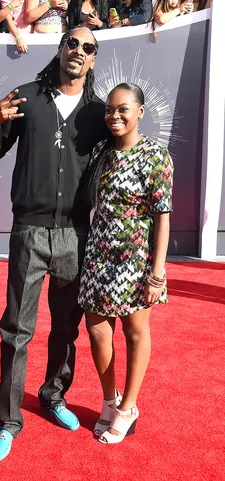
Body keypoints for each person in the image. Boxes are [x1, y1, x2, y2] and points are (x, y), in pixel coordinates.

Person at [0, 26, 109, 461]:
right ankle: (8, 420)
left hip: (77, 233)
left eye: (87, 48)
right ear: (59, 48)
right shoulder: (27, 95)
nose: (78, 51)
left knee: (66, 329)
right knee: (16, 330)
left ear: (93, 60)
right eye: (72, 43)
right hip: (28, 232)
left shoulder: (97, 114)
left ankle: (54, 395)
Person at [78, 83, 173, 444]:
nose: (114, 116)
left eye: (123, 109)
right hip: (97, 255)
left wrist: (157, 273)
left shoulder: (155, 156)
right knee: (98, 331)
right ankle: (109, 399)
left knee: (135, 333)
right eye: (109, 110)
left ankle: (129, 408)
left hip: (134, 260)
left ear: (140, 112)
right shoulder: (102, 149)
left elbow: (162, 218)